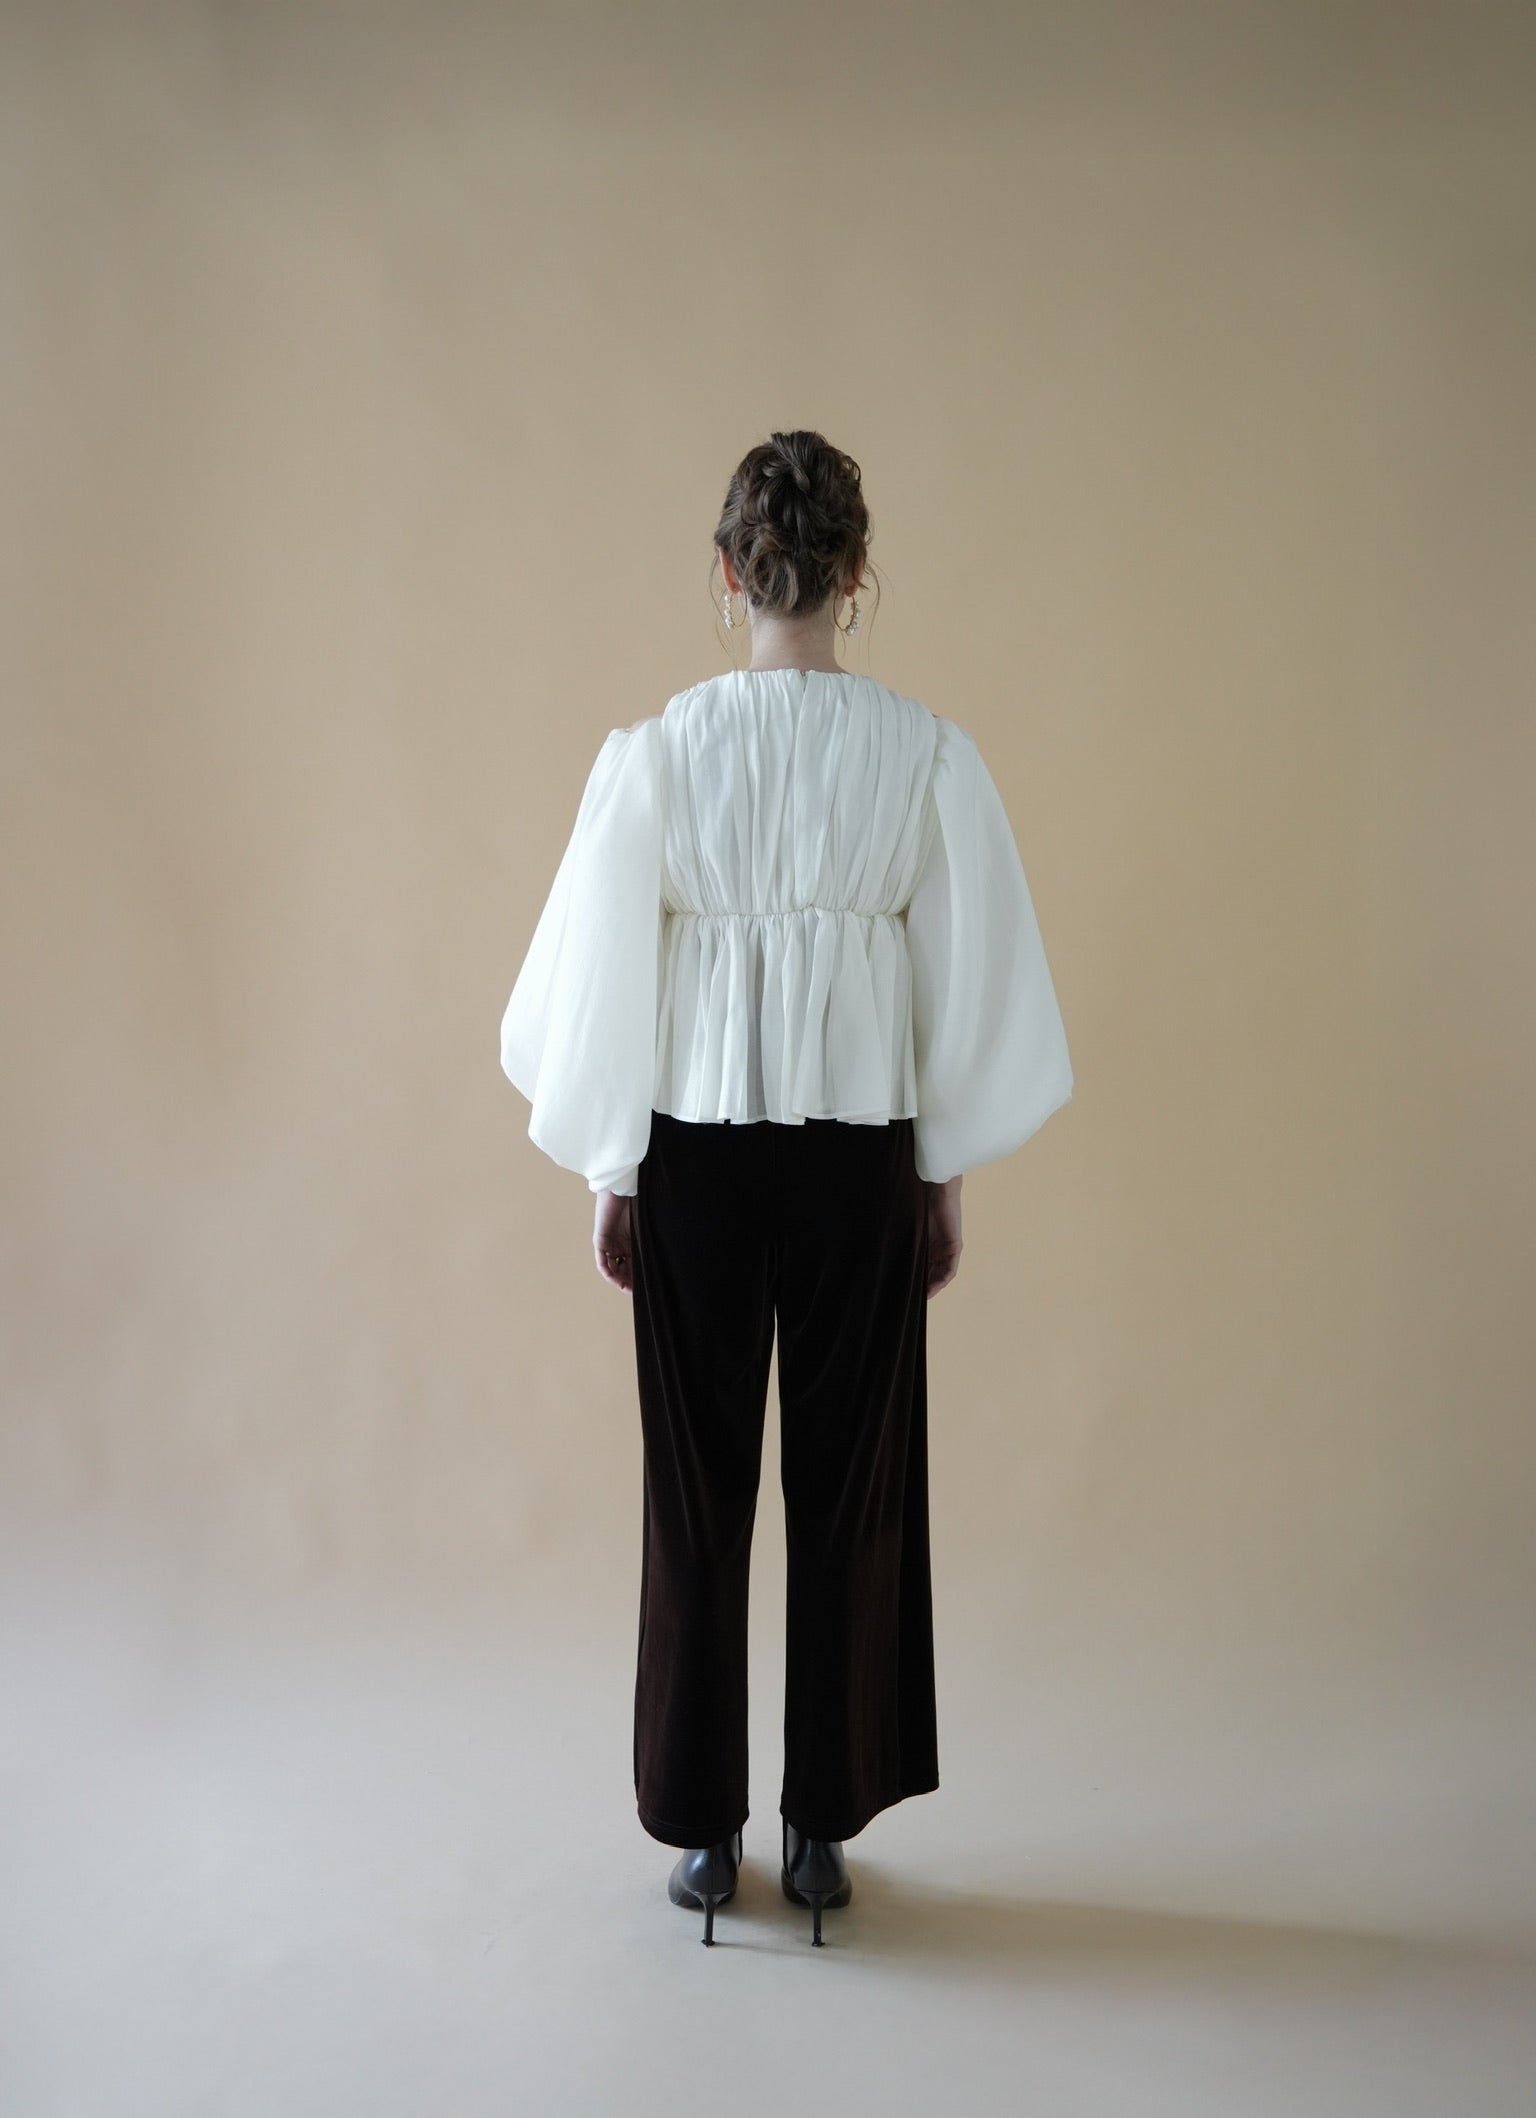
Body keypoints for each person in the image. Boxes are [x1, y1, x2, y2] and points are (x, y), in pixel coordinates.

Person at [499, 428, 1073, 1948]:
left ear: (730, 571)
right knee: (852, 1487)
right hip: (856, 1155)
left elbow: (605, 967)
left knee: (695, 1493)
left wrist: (615, 1169)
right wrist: (939, 1175)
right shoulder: (922, 754)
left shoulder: (660, 753)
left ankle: (704, 1831)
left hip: (693, 1155)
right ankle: (822, 1822)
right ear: (855, 572)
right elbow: (963, 979)